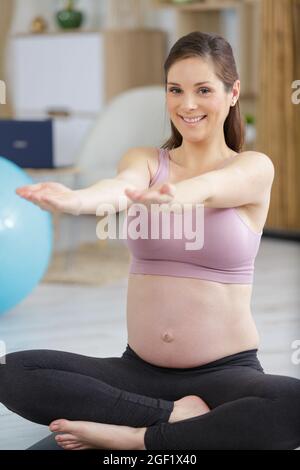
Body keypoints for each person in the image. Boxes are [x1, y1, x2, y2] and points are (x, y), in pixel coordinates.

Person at [1, 31, 300, 451]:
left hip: (225, 375)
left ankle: (136, 437)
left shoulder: (253, 168)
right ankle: (172, 419)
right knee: (10, 370)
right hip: (138, 371)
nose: (187, 104)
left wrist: (177, 195)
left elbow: (212, 187)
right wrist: (75, 200)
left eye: (203, 90)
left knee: (292, 403)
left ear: (232, 93)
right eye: (175, 90)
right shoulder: (145, 161)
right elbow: (116, 187)